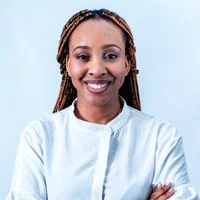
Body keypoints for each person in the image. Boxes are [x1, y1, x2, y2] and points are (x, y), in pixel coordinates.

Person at [5, 9, 199, 200]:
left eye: (111, 56)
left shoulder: (160, 138)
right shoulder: (40, 137)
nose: (97, 70)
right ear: (69, 64)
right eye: (82, 56)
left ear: (126, 64)